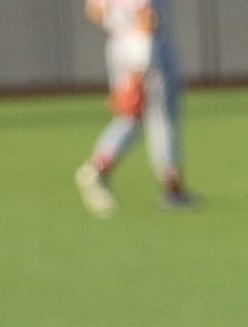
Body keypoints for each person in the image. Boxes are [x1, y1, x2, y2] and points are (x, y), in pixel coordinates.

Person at [74, 0, 192, 216]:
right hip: (147, 45)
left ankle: (100, 166)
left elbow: (94, 9)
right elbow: (144, 14)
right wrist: (138, 72)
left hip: (119, 44)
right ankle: (170, 185)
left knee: (133, 116)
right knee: (161, 117)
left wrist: (121, 26)